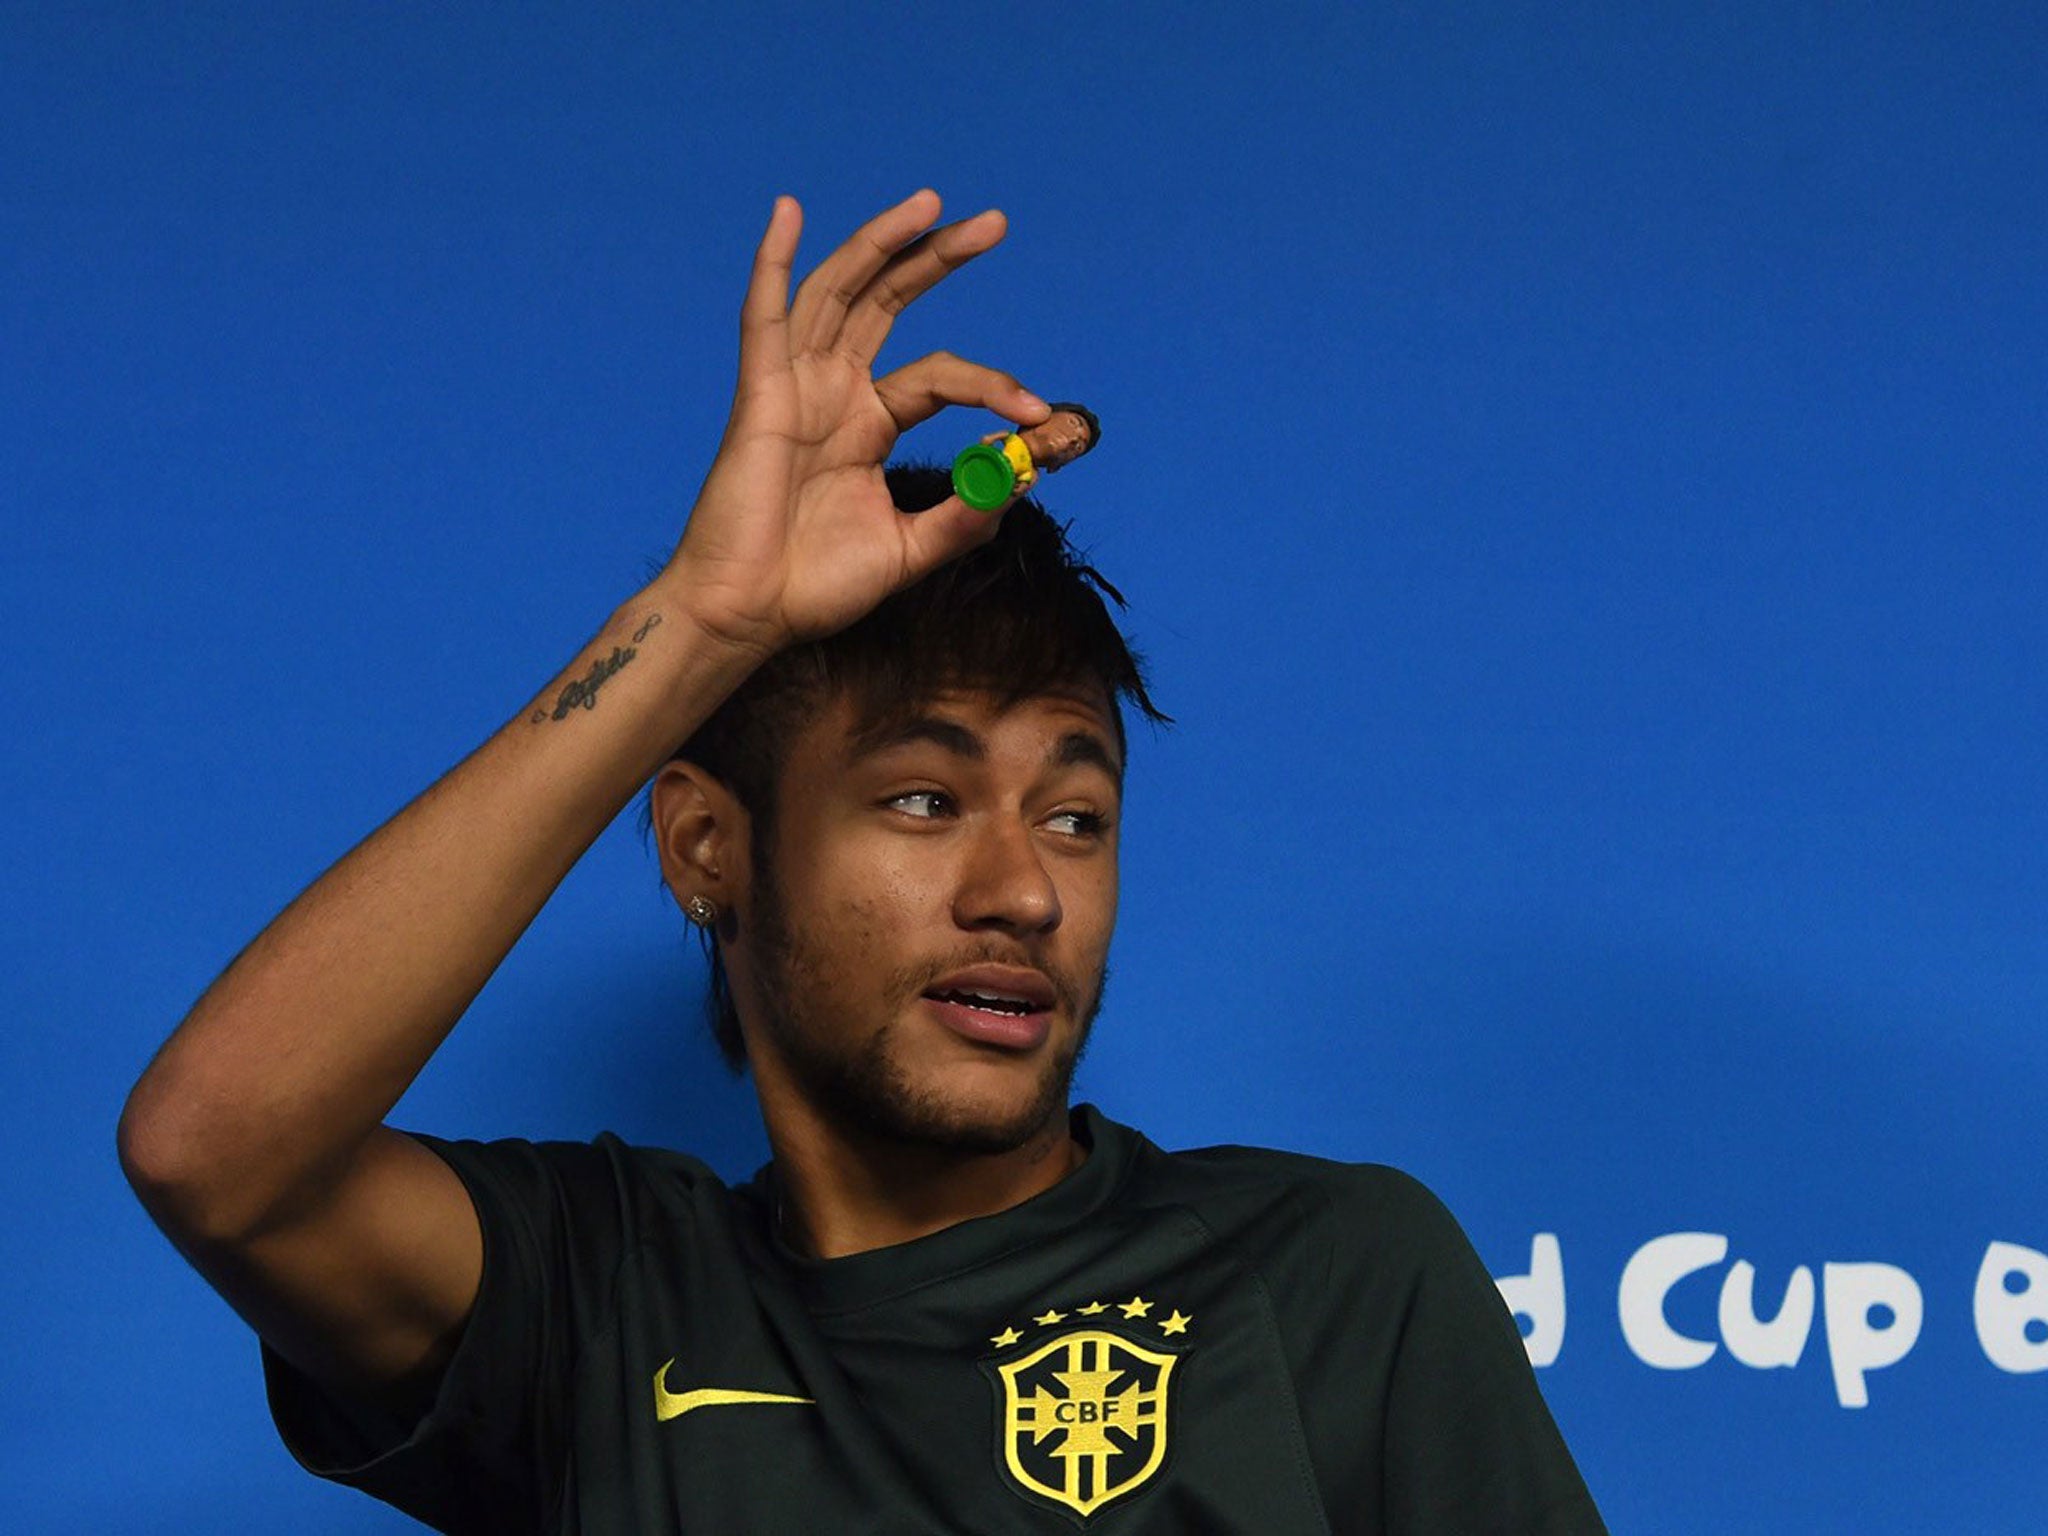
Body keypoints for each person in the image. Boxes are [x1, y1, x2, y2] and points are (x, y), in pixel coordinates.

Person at [118, 190, 1605, 1533]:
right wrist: (709, 622)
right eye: (922, 802)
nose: (1024, 891)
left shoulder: (1330, 1275)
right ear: (707, 846)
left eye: (1075, 819)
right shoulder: (608, 1303)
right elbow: (217, 1153)